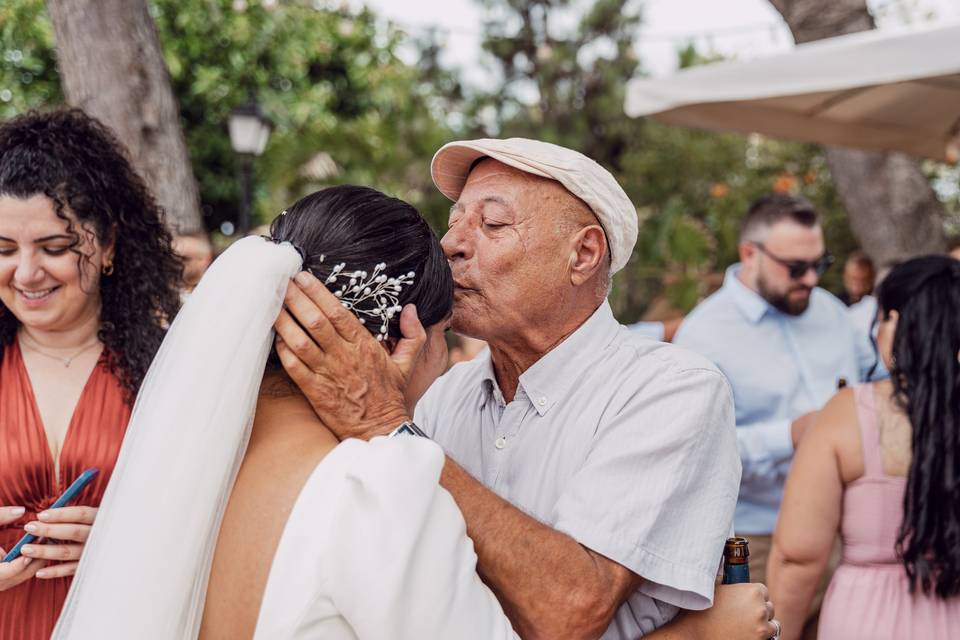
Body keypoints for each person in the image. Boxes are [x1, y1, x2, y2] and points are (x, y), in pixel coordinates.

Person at [275, 138, 780, 639]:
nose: (451, 244)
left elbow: (571, 611)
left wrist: (388, 428)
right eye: (453, 222)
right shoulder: (442, 394)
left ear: (583, 254)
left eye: (492, 224)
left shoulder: (671, 391)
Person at [55, 186, 516, 639]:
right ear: (397, 340)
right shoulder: (377, 485)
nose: (441, 354)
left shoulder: (191, 454)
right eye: (444, 332)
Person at [0, 109, 182, 639]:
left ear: (106, 246)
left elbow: (228, 522)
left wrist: (131, 544)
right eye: (3, 250)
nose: (27, 273)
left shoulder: (168, 371)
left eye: (55, 248)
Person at [673, 194, 879, 636]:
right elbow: (690, 453)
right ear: (750, 253)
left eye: (818, 264)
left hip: (844, 531)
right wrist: (788, 435)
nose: (810, 278)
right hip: (755, 540)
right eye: (796, 267)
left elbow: (870, 382)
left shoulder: (833, 312)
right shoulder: (704, 333)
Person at [767, 256, 960, 639]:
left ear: (900, 322)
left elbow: (797, 558)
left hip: (868, 621)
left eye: (885, 317)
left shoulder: (847, 414)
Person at [171, 231, 213, 299]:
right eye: (172, 257)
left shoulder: (216, 293)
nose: (176, 263)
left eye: (184, 258)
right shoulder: (162, 298)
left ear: (206, 260)